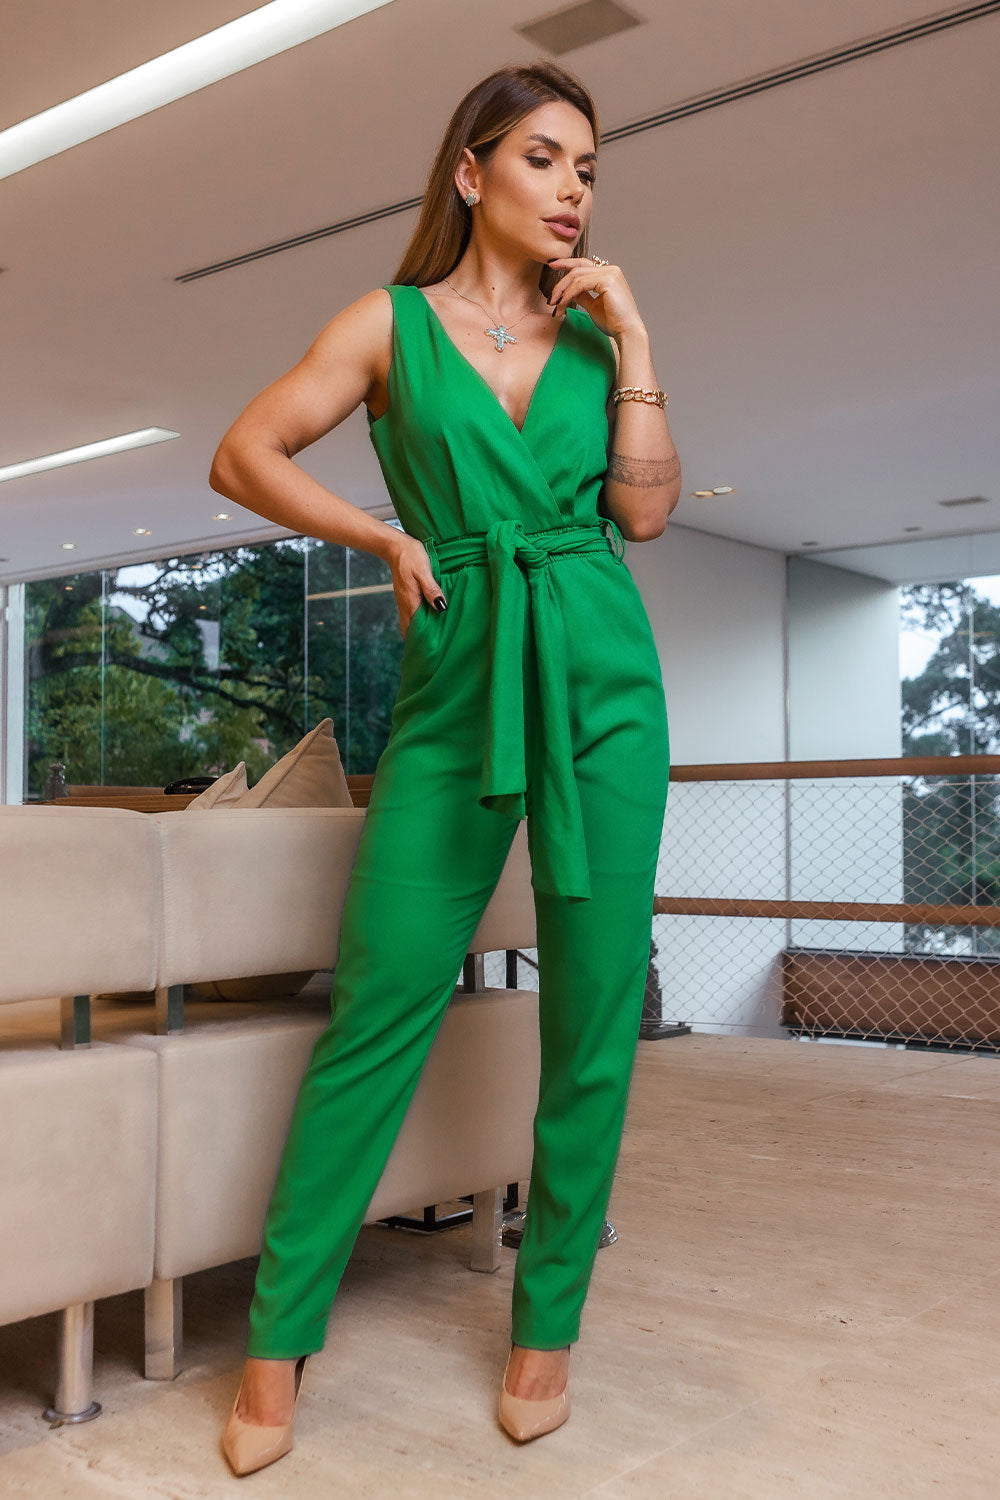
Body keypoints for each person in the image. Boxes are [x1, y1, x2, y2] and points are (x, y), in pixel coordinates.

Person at [208, 57, 681, 1476]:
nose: (573, 187)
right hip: (461, 668)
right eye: (545, 158)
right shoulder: (389, 323)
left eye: (588, 167)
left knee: (594, 1014)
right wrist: (379, 535)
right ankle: (278, 1340)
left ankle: (549, 1329)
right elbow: (244, 453)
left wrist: (636, 339)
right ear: (471, 173)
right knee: (381, 1002)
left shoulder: (593, 337)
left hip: (602, 671)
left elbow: (645, 514)